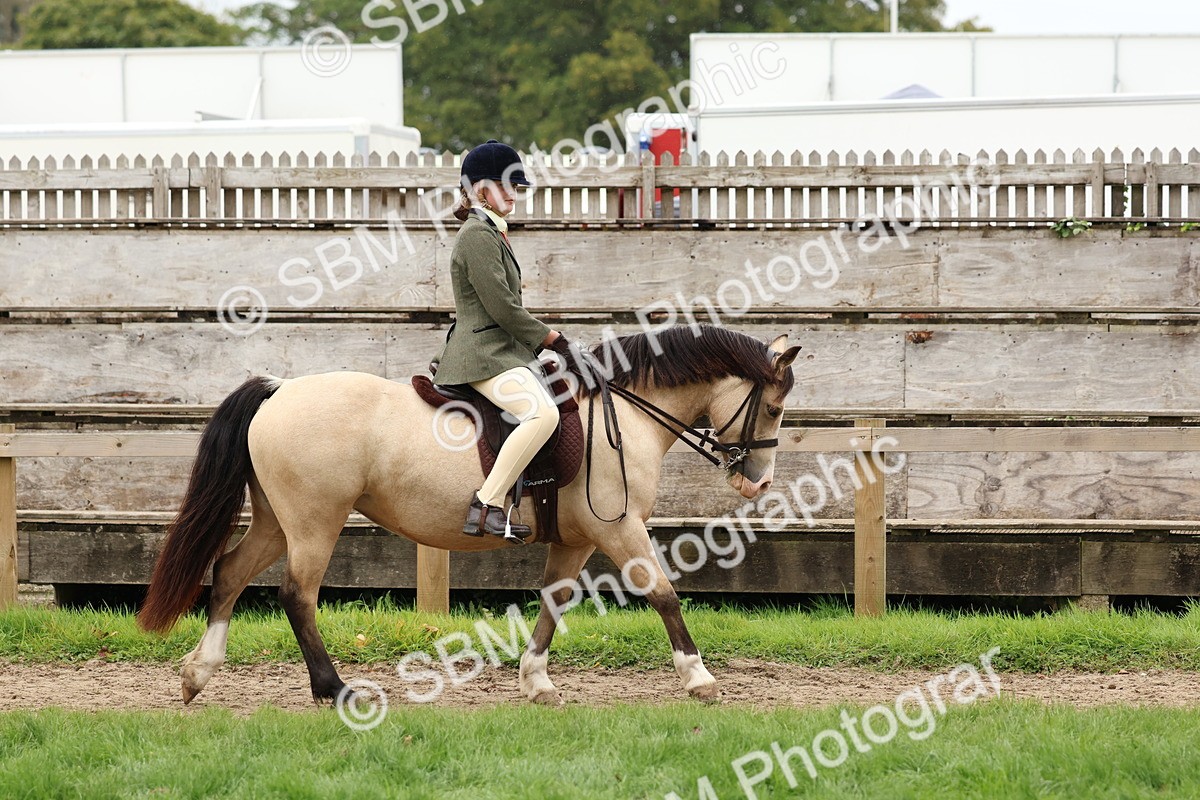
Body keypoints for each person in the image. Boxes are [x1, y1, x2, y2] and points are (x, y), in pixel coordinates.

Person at [431, 139, 568, 543]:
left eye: (516, 186)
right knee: (543, 414)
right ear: (477, 189)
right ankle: (486, 504)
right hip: (482, 355)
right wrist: (552, 338)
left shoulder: (492, 232)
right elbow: (502, 308)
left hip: (501, 352)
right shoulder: (477, 235)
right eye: (504, 184)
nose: (513, 193)